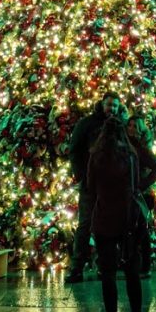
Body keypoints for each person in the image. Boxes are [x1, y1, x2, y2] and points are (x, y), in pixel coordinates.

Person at [87, 116, 143, 312]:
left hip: (104, 219)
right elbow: (137, 184)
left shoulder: (96, 156)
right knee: (132, 273)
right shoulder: (130, 156)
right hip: (128, 220)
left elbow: (90, 187)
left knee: (108, 275)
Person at [66, 91, 121, 282]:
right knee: (85, 225)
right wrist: (81, 176)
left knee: (109, 227)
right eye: (109, 104)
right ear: (102, 104)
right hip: (90, 185)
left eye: (115, 105)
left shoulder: (119, 126)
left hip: (111, 187)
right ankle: (77, 268)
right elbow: (74, 150)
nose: (111, 108)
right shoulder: (87, 124)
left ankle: (104, 266)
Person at [125, 113, 156, 278]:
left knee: (142, 231)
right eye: (130, 125)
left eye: (135, 126)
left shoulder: (141, 148)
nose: (131, 129)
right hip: (128, 193)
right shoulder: (125, 144)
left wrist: (142, 184)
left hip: (140, 195)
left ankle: (145, 266)